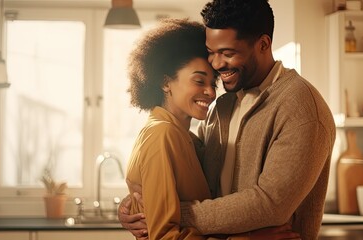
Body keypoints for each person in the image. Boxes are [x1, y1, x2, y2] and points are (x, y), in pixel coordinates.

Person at [120, 0, 336, 239]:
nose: (217, 63)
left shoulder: (302, 109)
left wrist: (165, 210)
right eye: (211, 52)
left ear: (263, 44)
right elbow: (188, 168)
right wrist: (138, 204)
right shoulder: (224, 104)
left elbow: (270, 205)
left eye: (228, 53)